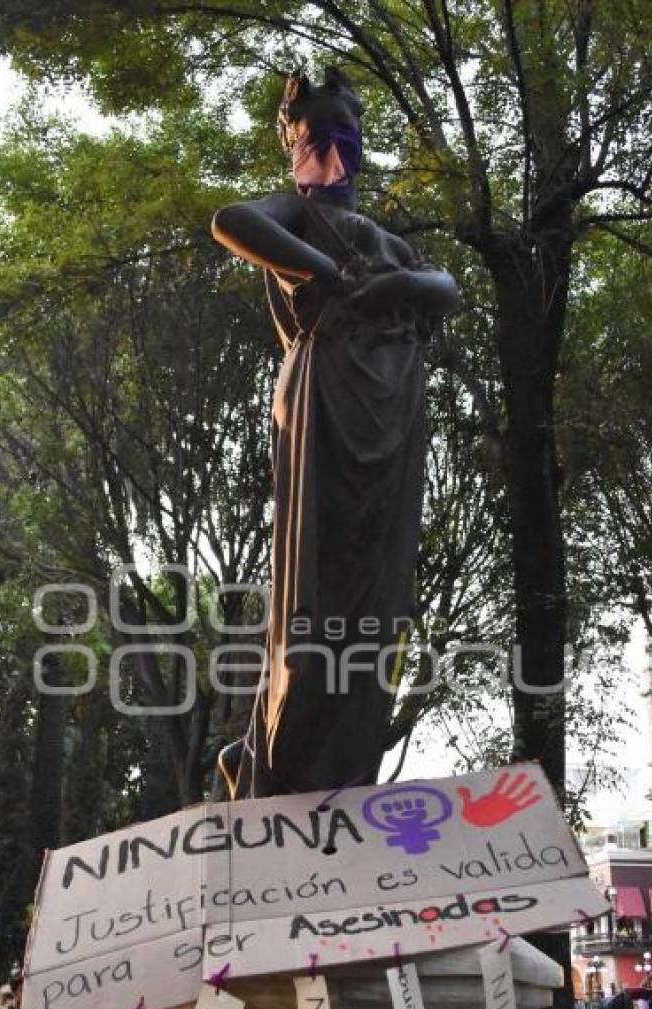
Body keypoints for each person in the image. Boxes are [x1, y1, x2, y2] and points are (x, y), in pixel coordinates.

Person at [211, 66, 460, 799]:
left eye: (344, 136)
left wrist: (398, 285)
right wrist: (333, 274)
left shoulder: (383, 237)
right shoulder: (295, 212)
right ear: (295, 145)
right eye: (315, 138)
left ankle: (343, 767)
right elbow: (232, 220)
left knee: (379, 593)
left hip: (394, 410)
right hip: (327, 395)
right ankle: (276, 758)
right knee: (317, 587)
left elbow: (444, 286)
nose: (332, 151)